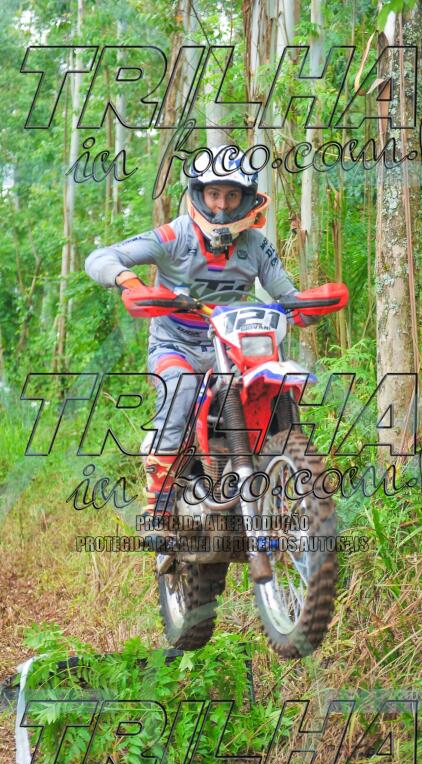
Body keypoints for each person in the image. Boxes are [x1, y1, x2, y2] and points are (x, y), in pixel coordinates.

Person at [85, 145, 303, 517]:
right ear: (199, 194)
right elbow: (101, 256)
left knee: (277, 384)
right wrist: (129, 282)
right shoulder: (175, 235)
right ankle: (159, 506)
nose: (221, 205)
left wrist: (304, 307)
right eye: (214, 193)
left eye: (232, 195)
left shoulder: (255, 244)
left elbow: (287, 293)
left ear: (246, 199)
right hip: (176, 345)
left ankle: (286, 486)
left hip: (233, 348)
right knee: (181, 389)